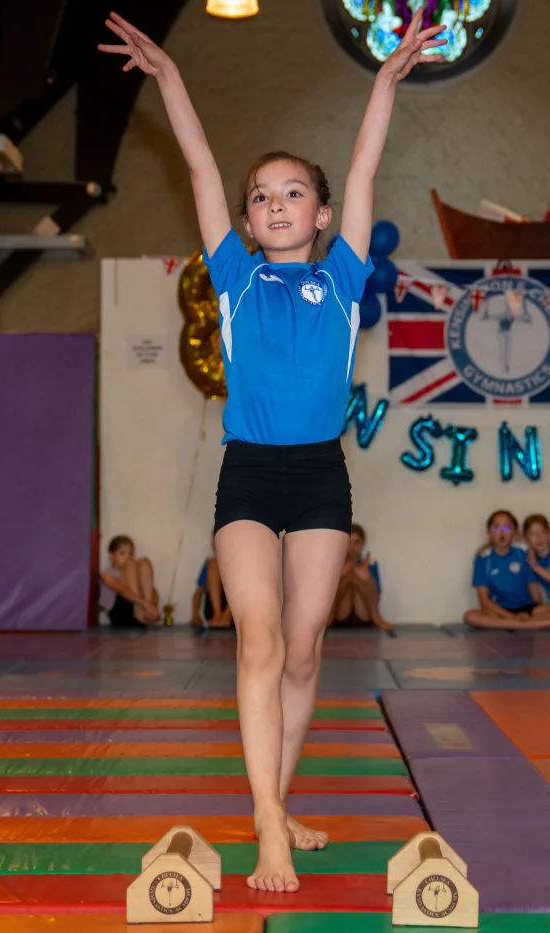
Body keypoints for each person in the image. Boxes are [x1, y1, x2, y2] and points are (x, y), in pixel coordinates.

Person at [99, 8, 444, 894]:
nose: (275, 204)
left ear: (321, 216)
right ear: (247, 223)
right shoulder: (235, 275)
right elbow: (198, 165)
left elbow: (364, 165)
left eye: (293, 193)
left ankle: (279, 801)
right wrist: (171, 78)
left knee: (301, 649)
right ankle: (266, 825)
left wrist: (383, 81)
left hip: (321, 476)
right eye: (261, 197)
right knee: (255, 639)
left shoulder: (344, 277)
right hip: (249, 473)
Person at [463, 510, 550, 630]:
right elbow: (484, 602)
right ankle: (530, 625)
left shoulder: (523, 553)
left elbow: (533, 588)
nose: (502, 532)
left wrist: (534, 610)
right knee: (470, 616)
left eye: (507, 527)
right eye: (496, 527)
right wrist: (512, 617)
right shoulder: (482, 559)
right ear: (489, 532)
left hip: (526, 608)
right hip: (500, 611)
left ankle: (522, 623)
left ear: (514, 531)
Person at [330, 523, 393, 631]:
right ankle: (329, 616)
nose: (352, 547)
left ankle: (376, 617)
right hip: (339, 613)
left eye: (357, 542)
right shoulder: (334, 564)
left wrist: (363, 575)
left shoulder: (370, 564)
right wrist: (344, 572)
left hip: (364, 613)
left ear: (363, 543)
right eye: (348, 542)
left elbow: (377, 595)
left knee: (360, 575)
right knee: (348, 577)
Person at [100, 535, 160, 627]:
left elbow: (153, 590)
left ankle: (147, 613)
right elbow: (122, 591)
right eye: (122, 553)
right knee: (131, 565)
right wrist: (144, 604)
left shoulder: (134, 573)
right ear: (112, 556)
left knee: (144, 561)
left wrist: (152, 604)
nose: (128, 557)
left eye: (131, 554)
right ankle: (141, 608)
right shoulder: (107, 574)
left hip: (140, 608)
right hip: (120, 613)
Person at [193, 547, 231, 628]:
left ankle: (227, 616)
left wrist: (227, 614)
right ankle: (217, 615)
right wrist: (195, 615)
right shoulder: (211, 563)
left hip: (237, 609)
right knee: (213, 564)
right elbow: (197, 593)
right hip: (213, 609)